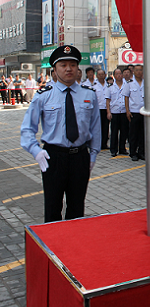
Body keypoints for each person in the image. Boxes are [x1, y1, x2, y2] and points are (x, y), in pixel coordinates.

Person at [21, 45, 101, 222]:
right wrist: (36, 151)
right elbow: (27, 129)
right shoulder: (43, 96)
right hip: (53, 157)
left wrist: (93, 155)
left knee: (77, 207)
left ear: (77, 68)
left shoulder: (90, 95)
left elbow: (95, 128)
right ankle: (52, 247)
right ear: (55, 70)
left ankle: (73, 246)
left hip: (80, 157)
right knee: (52, 207)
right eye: (63, 65)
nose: (68, 69)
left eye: (72, 65)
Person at [123, 64, 145, 161]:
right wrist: (127, 111)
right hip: (134, 112)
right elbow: (126, 97)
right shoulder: (129, 83)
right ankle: (133, 153)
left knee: (143, 134)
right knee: (133, 134)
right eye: (137, 70)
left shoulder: (146, 83)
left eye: (140, 70)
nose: (139, 72)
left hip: (144, 111)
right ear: (133, 72)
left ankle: (141, 152)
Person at [106, 68, 129, 157]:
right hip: (114, 112)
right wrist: (108, 112)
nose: (119, 75)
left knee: (124, 131)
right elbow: (107, 101)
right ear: (114, 76)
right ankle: (113, 150)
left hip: (124, 111)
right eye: (117, 74)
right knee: (114, 132)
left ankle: (122, 149)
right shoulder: (110, 87)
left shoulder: (127, 85)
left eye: (120, 74)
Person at [94, 69, 110, 149]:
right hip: (98, 109)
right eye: (99, 74)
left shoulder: (109, 85)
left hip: (106, 109)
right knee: (98, 128)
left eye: (102, 74)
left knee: (106, 127)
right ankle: (98, 144)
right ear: (97, 75)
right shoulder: (94, 85)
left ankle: (104, 143)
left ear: (105, 75)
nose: (101, 76)